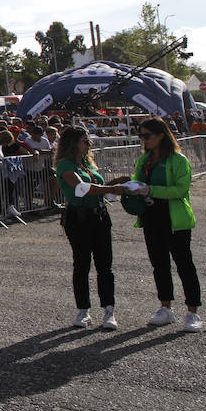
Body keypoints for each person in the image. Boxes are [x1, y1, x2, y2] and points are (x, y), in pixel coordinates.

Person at [129, 118, 202, 332]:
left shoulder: (178, 160)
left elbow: (181, 190)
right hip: (150, 217)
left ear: (161, 135)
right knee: (159, 265)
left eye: (147, 135)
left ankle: (193, 311)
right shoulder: (144, 159)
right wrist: (130, 188)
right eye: (141, 136)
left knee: (184, 265)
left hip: (174, 219)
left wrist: (151, 190)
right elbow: (137, 180)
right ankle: (165, 308)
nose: (143, 140)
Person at [54, 126, 127, 330]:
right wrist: (113, 188)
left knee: (105, 265)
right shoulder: (65, 164)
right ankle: (83, 310)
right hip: (79, 220)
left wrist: (116, 184)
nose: (89, 143)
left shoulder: (86, 163)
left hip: (99, 216)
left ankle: (109, 310)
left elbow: (97, 189)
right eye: (85, 140)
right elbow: (82, 188)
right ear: (73, 143)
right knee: (82, 264)